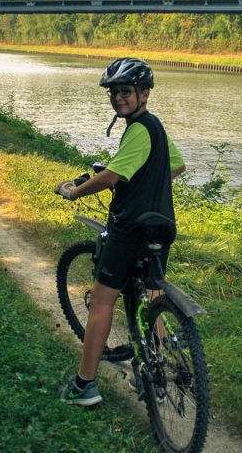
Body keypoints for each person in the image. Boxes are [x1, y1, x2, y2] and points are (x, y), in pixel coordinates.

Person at [53, 57, 186, 406]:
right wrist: (145, 181)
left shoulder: (139, 129)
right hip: (162, 225)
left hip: (131, 229)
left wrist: (74, 191)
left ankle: (84, 386)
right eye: (113, 92)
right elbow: (176, 166)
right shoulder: (156, 128)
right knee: (151, 293)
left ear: (145, 93)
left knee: (101, 300)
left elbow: (111, 176)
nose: (118, 98)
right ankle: (156, 368)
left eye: (125, 91)